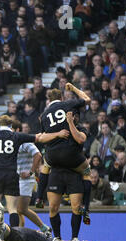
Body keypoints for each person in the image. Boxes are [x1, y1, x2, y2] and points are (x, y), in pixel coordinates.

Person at [35, 85, 92, 225]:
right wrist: (73, 88)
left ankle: (39, 198)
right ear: (62, 98)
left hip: (53, 156)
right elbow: (87, 99)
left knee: (46, 166)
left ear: (49, 100)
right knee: (87, 171)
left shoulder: (43, 116)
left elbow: (43, 137)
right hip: (71, 155)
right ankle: (86, 206)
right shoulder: (69, 104)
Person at [12, 120, 51, 234]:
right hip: (17, 179)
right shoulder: (12, 143)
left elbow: (38, 155)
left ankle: (44, 228)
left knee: (21, 209)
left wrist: (31, 172)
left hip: (26, 180)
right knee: (18, 209)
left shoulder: (26, 142)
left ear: (17, 130)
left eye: (12, 130)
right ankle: (19, 231)